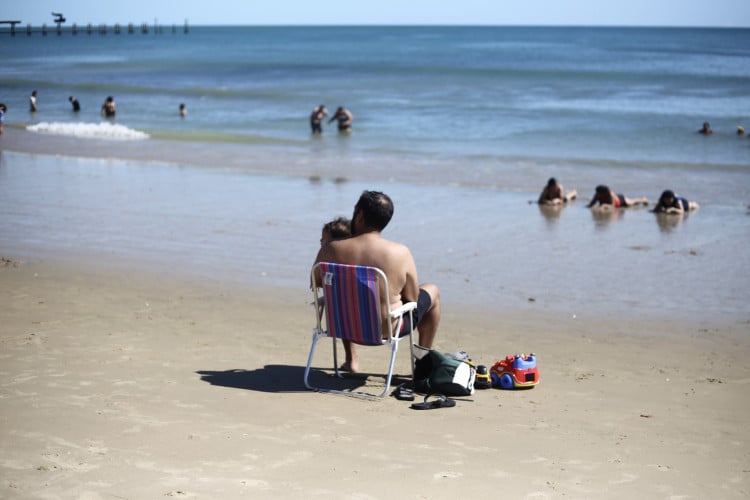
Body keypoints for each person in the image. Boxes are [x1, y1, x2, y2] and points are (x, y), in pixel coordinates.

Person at [313, 191, 441, 373]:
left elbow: (317, 283)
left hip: (342, 325)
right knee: (432, 291)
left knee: (344, 292)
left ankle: (351, 360)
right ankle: (422, 365)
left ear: (360, 215)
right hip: (385, 330)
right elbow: (412, 298)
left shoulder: (330, 249)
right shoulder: (400, 252)